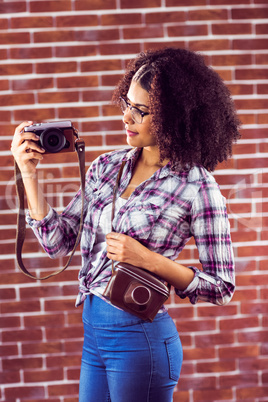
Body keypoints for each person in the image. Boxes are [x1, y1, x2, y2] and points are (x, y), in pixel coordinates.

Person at [11, 47, 240, 402]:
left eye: (142, 111)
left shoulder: (197, 185)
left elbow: (222, 286)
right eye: (126, 104)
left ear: (174, 117)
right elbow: (56, 241)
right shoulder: (105, 166)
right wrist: (28, 175)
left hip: (140, 341)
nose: (127, 118)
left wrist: (150, 260)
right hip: (94, 336)